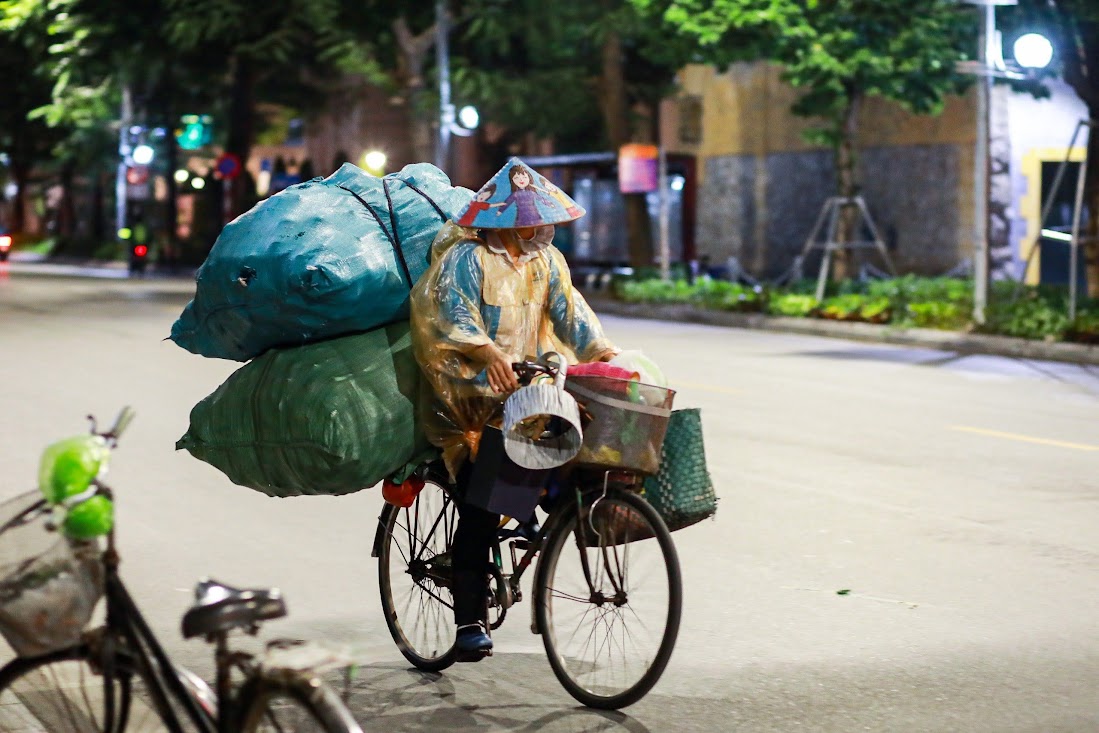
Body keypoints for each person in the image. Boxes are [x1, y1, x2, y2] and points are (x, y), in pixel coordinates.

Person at [409, 158, 617, 660]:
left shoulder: (546, 262)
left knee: (564, 466)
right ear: (505, 221)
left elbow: (571, 312)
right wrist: (485, 352)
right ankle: (468, 621)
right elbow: (446, 314)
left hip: (528, 391)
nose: (542, 229)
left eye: (543, 221)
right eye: (532, 222)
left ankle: (524, 519)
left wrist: (604, 355)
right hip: (471, 397)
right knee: (482, 509)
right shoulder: (467, 258)